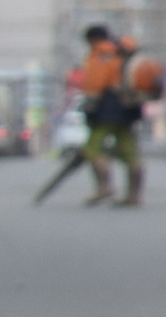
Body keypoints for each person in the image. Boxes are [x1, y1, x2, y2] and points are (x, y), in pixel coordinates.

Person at [37, 29, 141, 209]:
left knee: (93, 148)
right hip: (129, 105)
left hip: (108, 106)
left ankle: (105, 187)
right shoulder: (124, 50)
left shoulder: (101, 53)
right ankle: (134, 195)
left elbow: (95, 82)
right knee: (130, 153)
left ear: (93, 39)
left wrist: (90, 102)